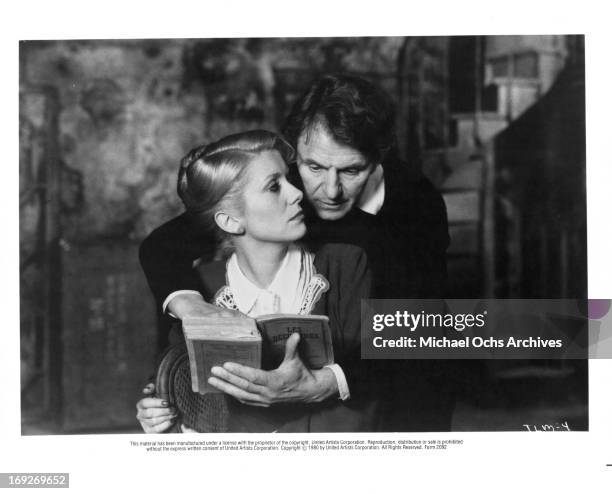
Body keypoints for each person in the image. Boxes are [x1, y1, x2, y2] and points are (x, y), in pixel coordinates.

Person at [137, 74, 454, 433]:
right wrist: (192, 307)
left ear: (379, 157)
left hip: (404, 388)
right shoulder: (285, 186)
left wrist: (326, 383)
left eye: (351, 170)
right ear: (295, 151)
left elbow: (423, 330)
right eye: (314, 167)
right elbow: (161, 246)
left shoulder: (417, 203)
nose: (329, 190)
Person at [137, 130, 389, 432]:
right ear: (230, 221)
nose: (297, 193)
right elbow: (189, 395)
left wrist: (321, 385)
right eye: (274, 186)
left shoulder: (346, 265)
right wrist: (161, 413)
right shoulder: (204, 290)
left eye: (289, 178)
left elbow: (383, 376)